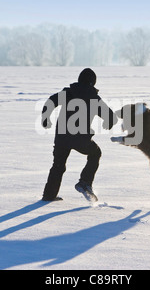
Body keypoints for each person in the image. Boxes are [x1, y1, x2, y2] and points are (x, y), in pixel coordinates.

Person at [41, 68, 117, 202]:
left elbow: (50, 101)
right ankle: (85, 182)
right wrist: (109, 122)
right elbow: (111, 116)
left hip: (62, 137)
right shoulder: (94, 97)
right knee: (95, 153)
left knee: (58, 165)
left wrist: (45, 117)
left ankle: (49, 195)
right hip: (80, 139)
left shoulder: (68, 92)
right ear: (93, 82)